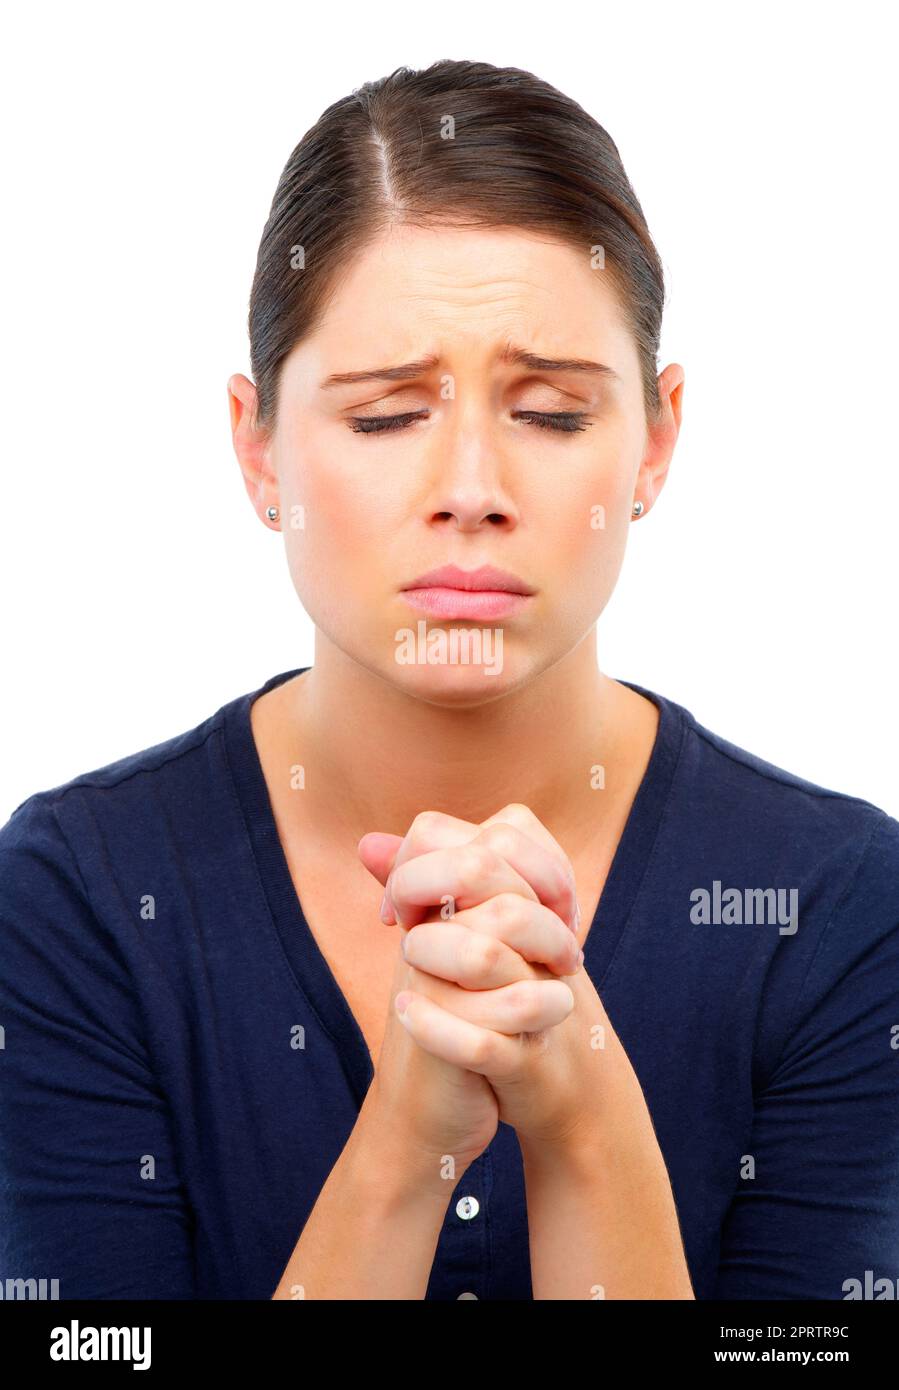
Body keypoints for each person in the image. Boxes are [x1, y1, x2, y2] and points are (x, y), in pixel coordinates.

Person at [1, 59, 897, 1302]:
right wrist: (404, 1147)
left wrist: (584, 1120)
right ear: (256, 448)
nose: (469, 486)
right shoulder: (79, 899)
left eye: (549, 411)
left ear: (658, 434)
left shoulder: (835, 905)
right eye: (382, 419)